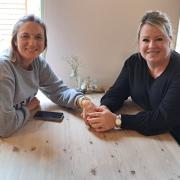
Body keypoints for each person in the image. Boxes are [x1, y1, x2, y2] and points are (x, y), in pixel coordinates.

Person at [86, 10, 180, 144]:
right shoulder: (133, 63)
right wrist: (104, 110)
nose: (151, 45)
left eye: (159, 39)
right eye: (146, 40)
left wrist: (117, 120)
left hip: (174, 141)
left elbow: (163, 119)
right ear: (139, 43)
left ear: (170, 40)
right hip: (152, 137)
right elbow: (116, 93)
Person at [0, 14, 96, 137]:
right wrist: (28, 108)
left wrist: (83, 101)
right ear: (15, 40)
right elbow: (4, 127)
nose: (32, 43)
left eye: (38, 37)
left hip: (22, 128)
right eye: (25, 36)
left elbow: (59, 91)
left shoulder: (38, 63)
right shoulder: (3, 67)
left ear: (44, 43)